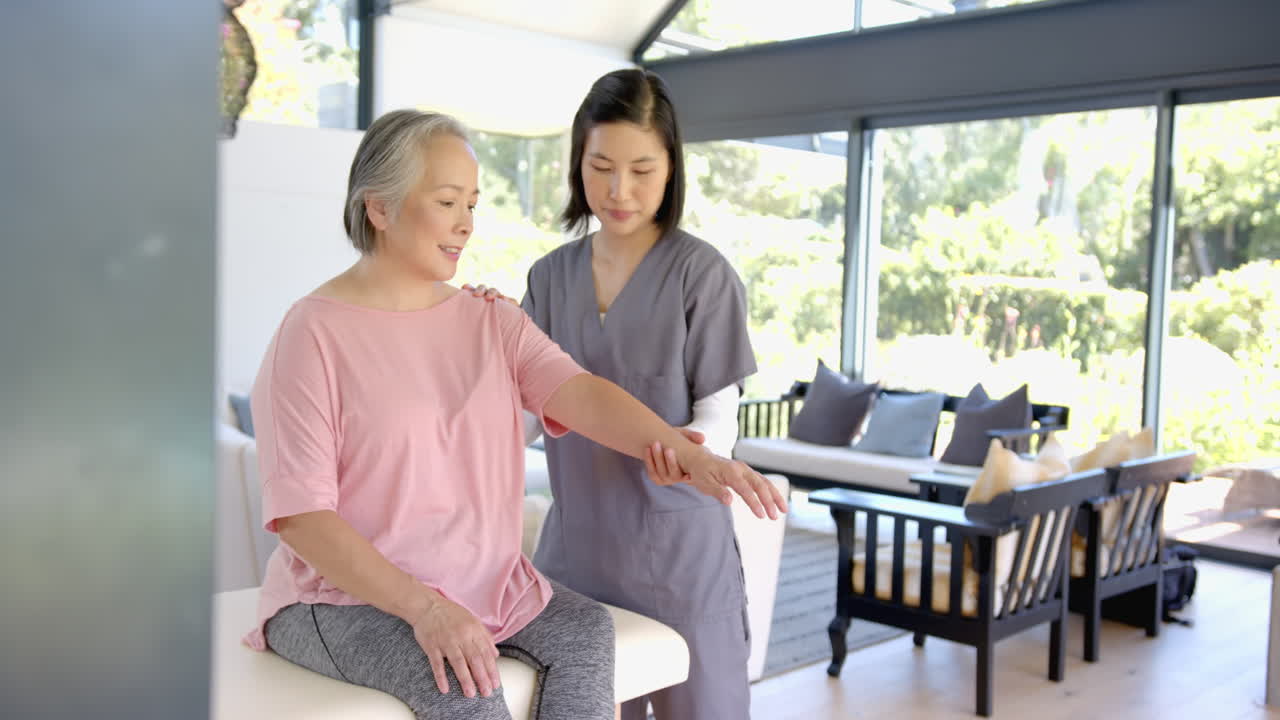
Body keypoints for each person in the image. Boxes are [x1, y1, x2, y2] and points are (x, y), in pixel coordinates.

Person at [244, 108, 787, 720]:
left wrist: (691, 454)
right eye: (448, 202)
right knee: (460, 682)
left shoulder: (490, 319)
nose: (466, 224)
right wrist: (425, 608)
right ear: (380, 208)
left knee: (584, 636)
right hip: (343, 599)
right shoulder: (312, 334)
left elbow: (581, 393)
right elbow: (302, 518)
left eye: (472, 204)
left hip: (479, 584)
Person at [516, 68, 763, 720]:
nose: (619, 190)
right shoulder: (548, 279)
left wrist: (691, 448)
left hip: (681, 564)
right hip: (576, 560)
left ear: (672, 168)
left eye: (642, 170)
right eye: (601, 167)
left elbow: (718, 412)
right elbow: (523, 417)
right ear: (578, 163)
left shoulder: (702, 276)